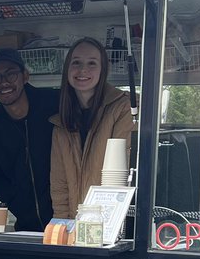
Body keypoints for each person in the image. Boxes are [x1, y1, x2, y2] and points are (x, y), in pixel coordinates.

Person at [49, 37, 135, 218]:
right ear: (67, 70)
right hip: (74, 227)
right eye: (76, 62)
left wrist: (102, 226)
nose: (83, 70)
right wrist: (62, 227)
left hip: (111, 223)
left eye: (92, 63)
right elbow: (59, 187)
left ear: (103, 70)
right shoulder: (60, 123)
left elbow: (120, 175)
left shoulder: (123, 108)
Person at [0, 48, 56, 231]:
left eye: (10, 74)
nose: (4, 83)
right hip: (26, 226)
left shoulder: (54, 103)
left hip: (68, 222)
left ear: (25, 76)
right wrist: (17, 204)